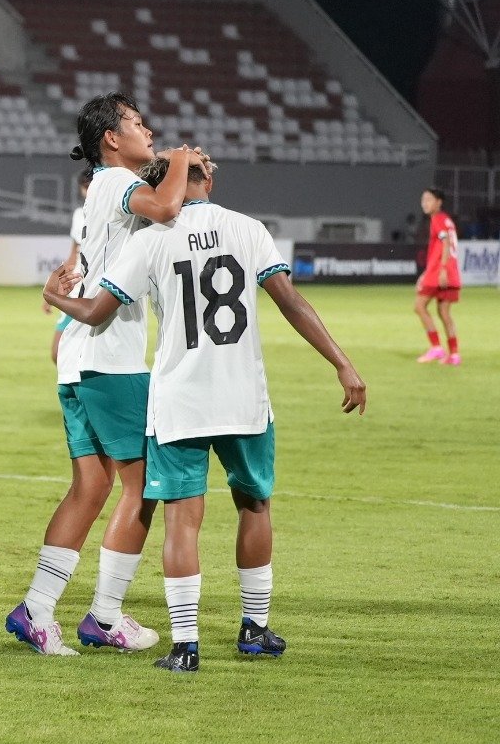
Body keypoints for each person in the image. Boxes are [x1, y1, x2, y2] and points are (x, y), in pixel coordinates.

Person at [42, 156, 366, 673]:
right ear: (208, 180)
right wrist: (343, 364)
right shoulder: (247, 228)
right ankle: (255, 629)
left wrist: (55, 298)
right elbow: (291, 302)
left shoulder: (149, 239)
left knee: (182, 522)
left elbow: (97, 312)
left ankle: (185, 646)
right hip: (243, 398)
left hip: (179, 400)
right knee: (255, 505)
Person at [6, 93, 204, 657]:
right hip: (111, 360)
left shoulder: (102, 189)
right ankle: (105, 615)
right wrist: (183, 158)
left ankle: (38, 609)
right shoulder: (116, 181)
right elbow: (166, 208)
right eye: (138, 125)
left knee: (90, 486)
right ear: (112, 139)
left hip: (80, 357)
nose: (149, 132)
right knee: (141, 488)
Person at [48, 167, 92, 365]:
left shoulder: (113, 214)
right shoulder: (78, 215)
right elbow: (73, 255)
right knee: (57, 354)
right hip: (76, 289)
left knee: (90, 355)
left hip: (96, 292)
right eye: (85, 187)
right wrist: (54, 291)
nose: (87, 190)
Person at [413, 187, 461, 366]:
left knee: (419, 306)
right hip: (451, 272)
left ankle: (436, 348)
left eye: (428, 199)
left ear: (438, 202)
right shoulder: (447, 220)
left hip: (440, 272)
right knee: (444, 313)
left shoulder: (438, 219)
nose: (424, 203)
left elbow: (446, 243)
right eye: (423, 200)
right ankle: (454, 354)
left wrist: (441, 270)